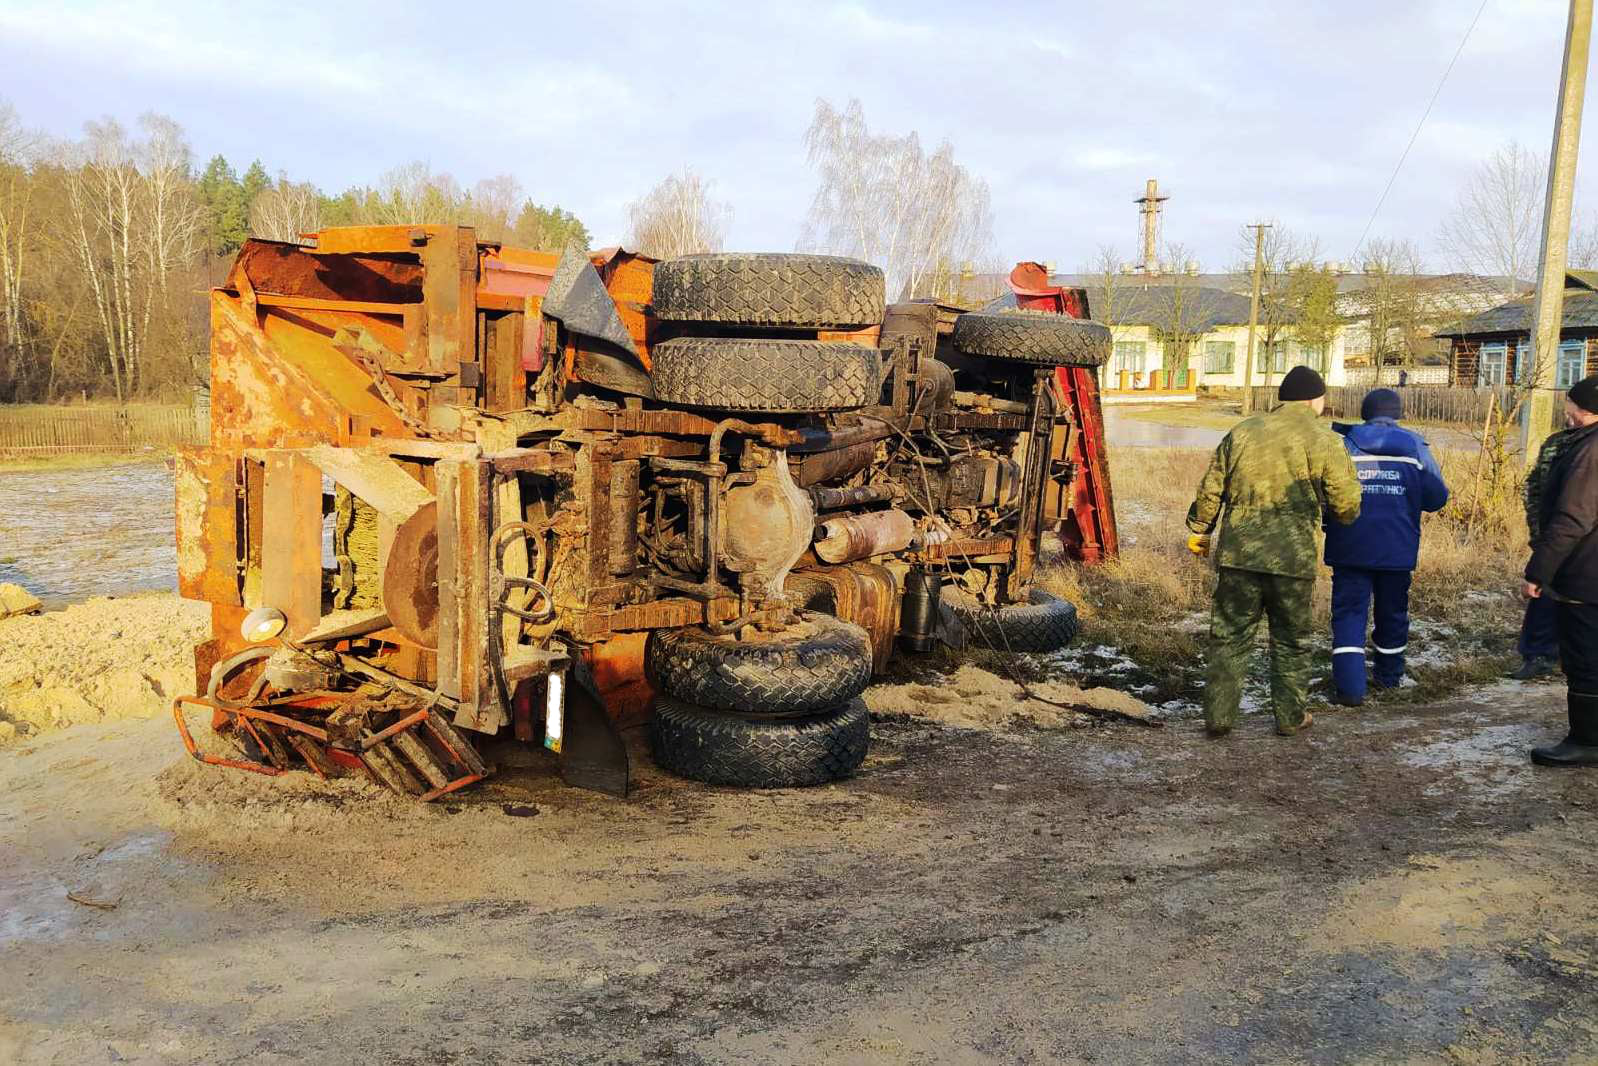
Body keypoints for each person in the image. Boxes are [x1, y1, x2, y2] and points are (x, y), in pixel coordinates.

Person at [1188, 366, 1362, 737]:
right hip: (1292, 559)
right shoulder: (1323, 438)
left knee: (1229, 636)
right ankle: (1289, 717)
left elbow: (1210, 490)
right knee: (1291, 639)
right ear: (1316, 400)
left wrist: (1200, 529)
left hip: (1239, 556)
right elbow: (1346, 505)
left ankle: (1219, 717)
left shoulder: (1243, 431)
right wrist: (1336, 514)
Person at [1323, 388, 1450, 705]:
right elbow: (1437, 498)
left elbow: (1325, 493)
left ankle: (1350, 689)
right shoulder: (1415, 447)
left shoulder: (1344, 444)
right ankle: (1389, 677)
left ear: (1365, 412)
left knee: (1349, 615)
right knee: (1392, 613)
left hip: (1349, 546)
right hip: (1397, 548)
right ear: (1397, 414)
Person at [1526, 374, 1598, 767]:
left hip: (1586, 575)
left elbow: (1572, 519)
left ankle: (1587, 740)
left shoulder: (1590, 451)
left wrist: (1538, 571)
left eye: (1569, 404)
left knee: (1585, 658)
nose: (1565, 411)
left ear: (1584, 408)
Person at [1512, 425, 1573, 680]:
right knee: (1544, 590)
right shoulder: (1556, 443)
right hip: (1557, 533)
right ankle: (1538, 654)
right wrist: (1539, 533)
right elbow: (1534, 488)